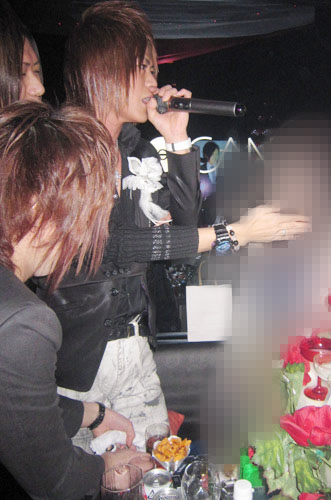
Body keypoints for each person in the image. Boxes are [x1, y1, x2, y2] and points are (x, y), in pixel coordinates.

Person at [38, 0, 310, 452]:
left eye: (153, 68)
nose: (153, 80)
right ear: (105, 68)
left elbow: (180, 233)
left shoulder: (139, 150)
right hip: (78, 362)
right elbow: (108, 245)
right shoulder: (61, 148)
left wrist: (178, 139)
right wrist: (235, 233)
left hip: (138, 348)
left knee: (160, 467)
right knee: (93, 475)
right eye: (143, 67)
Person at [0, 100, 152, 500]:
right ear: (40, 204)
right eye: (86, 215)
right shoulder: (23, 320)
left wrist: (93, 413)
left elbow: (12, 407)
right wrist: (111, 466)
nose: (86, 237)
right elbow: (53, 480)